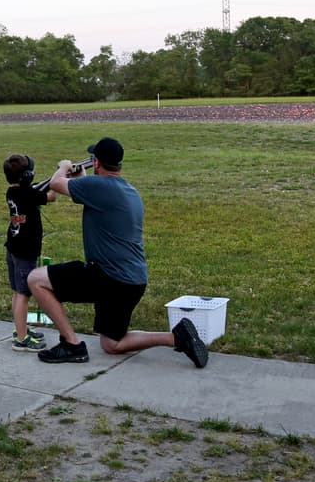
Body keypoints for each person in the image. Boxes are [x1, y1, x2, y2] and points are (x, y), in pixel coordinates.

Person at [26, 137, 208, 368]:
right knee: (112, 344)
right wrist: (82, 178)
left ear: (97, 162)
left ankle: (72, 345)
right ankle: (175, 337)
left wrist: (63, 167)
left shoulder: (98, 187)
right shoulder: (127, 190)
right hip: (132, 282)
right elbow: (93, 194)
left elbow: (55, 184)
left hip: (108, 277)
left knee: (36, 280)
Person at [3, 153, 56, 351]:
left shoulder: (13, 192)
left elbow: (33, 191)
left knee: (18, 293)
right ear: (26, 177)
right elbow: (52, 196)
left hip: (14, 248)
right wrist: (59, 174)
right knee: (23, 294)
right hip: (25, 252)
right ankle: (22, 338)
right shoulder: (29, 194)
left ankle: (20, 328)